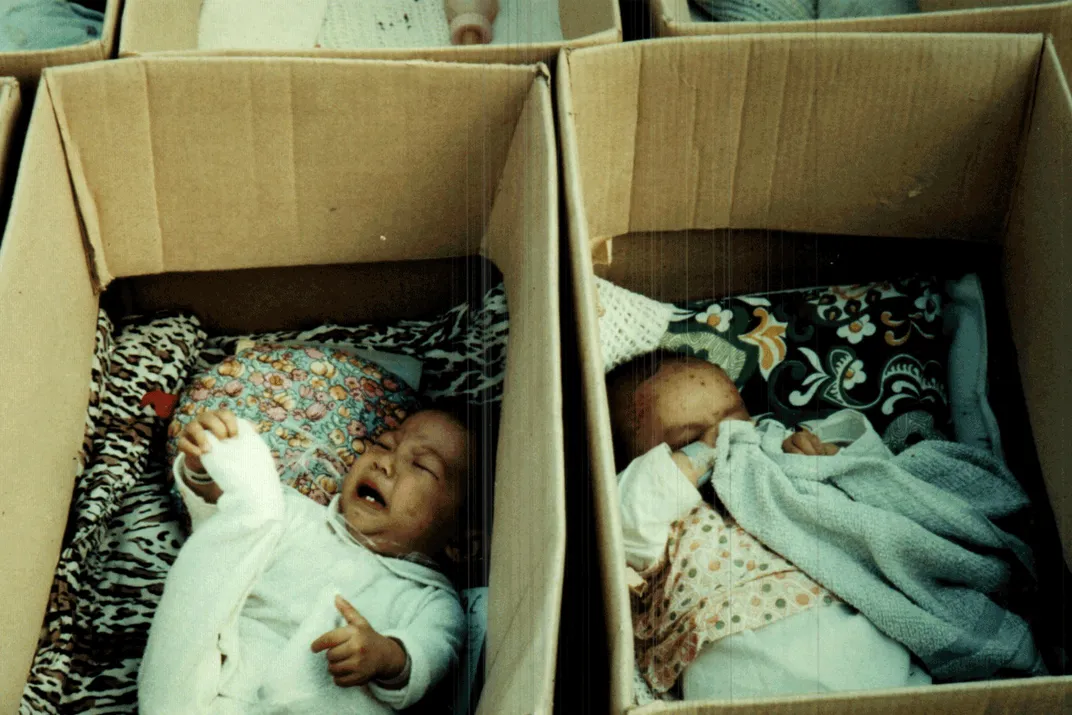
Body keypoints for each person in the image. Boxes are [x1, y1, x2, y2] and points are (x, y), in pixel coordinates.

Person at [606, 351, 930, 700]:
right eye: (687, 440)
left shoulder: (777, 460)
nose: (726, 437)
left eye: (735, 418)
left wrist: (821, 462)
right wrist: (699, 456)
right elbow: (622, 514)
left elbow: (872, 489)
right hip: (743, 667)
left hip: (856, 638)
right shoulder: (662, 525)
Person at [139, 404, 481, 714]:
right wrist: (208, 465)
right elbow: (228, 537)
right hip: (205, 693)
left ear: (460, 542)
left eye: (421, 465)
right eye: (385, 444)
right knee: (255, 507)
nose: (385, 462)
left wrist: (385, 655)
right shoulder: (291, 513)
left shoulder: (428, 600)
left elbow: (433, 654)